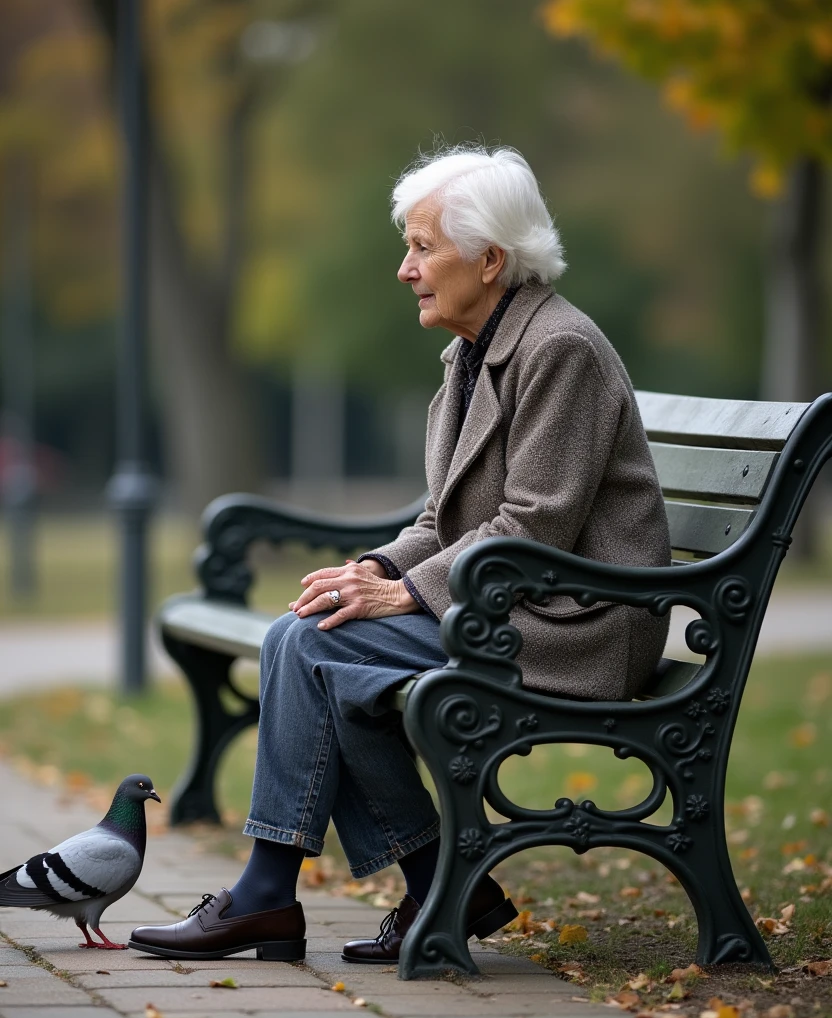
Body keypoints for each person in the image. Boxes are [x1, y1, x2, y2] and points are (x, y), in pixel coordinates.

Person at [128, 144, 670, 965]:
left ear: (489, 260)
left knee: (311, 646)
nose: (404, 268)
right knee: (309, 636)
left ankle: (278, 896)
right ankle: (432, 887)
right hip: (511, 602)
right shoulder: (472, 351)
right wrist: (377, 570)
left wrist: (408, 595)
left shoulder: (560, 348)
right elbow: (443, 518)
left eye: (422, 247)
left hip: (578, 620)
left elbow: (536, 527)